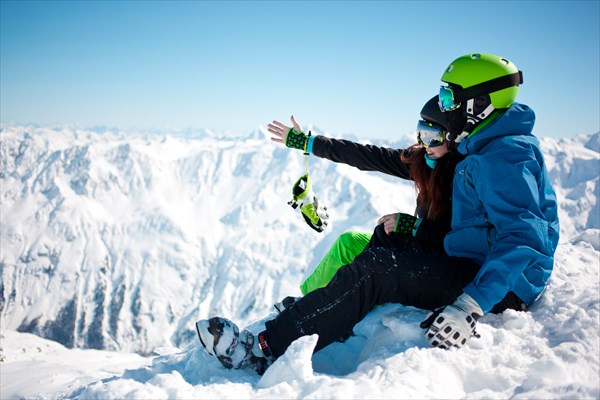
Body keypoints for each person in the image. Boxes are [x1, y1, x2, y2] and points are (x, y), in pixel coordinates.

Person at [195, 53, 560, 375]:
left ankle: (261, 349)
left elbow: (524, 236)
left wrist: (471, 304)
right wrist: (309, 143)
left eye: (450, 96)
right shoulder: (478, 145)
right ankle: (332, 311)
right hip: (476, 259)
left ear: (478, 103)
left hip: (504, 285)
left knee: (378, 269)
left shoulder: (503, 156)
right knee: (387, 238)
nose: (444, 105)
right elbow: (374, 156)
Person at [277, 95, 460, 302]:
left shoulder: (464, 180)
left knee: (371, 260)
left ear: (454, 139)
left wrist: (415, 227)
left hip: (437, 266)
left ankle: (336, 304)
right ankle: (306, 302)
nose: (426, 145)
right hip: (418, 246)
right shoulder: (423, 164)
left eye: (433, 136)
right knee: (348, 242)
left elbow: (464, 243)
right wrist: (308, 143)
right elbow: (365, 155)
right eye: (421, 134)